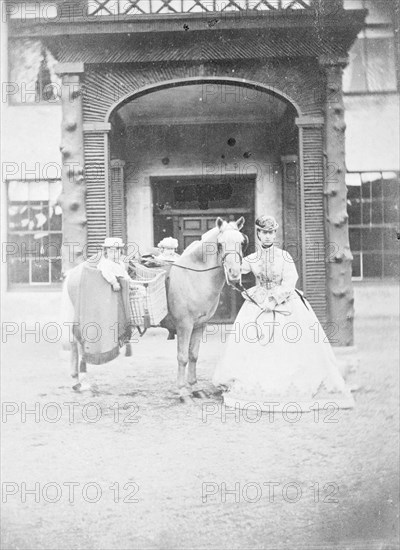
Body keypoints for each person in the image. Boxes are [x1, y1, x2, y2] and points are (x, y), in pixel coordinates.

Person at [212, 215, 354, 411]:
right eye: (264, 233)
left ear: (274, 234)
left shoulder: (284, 257)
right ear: (258, 234)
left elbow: (290, 282)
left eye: (271, 233)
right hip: (258, 303)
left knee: (292, 346)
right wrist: (231, 261)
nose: (268, 236)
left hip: (285, 303)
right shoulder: (252, 258)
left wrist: (273, 299)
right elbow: (236, 272)